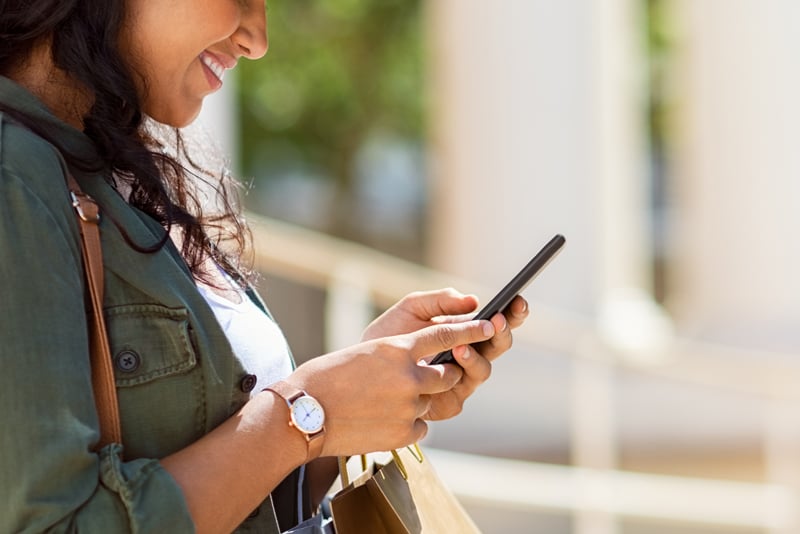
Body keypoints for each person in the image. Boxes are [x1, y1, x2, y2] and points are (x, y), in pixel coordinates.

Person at [0, 0, 530, 532]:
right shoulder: (14, 176)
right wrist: (308, 413)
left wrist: (353, 403)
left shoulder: (101, 166)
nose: (258, 39)